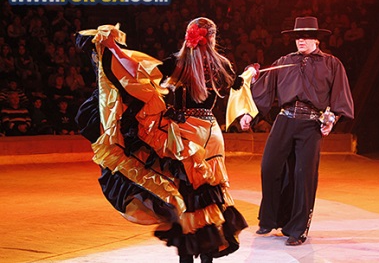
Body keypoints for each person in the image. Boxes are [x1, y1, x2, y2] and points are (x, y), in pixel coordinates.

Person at [75, 18, 247, 263]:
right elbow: (237, 82)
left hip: (186, 135)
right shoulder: (224, 65)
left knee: (186, 197)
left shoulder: (179, 62)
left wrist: (113, 49)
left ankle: (187, 257)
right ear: (213, 38)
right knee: (211, 194)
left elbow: (136, 71)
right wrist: (249, 73)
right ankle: (208, 254)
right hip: (213, 136)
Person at [239, 17, 354, 246]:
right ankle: (270, 219)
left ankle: (298, 229)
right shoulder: (284, 61)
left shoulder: (332, 64)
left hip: (311, 124)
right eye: (297, 36)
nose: (300, 40)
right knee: (269, 167)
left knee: (303, 176)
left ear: (316, 38)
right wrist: (249, 114)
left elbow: (339, 96)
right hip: (284, 120)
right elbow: (264, 90)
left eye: (306, 36)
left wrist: (332, 118)